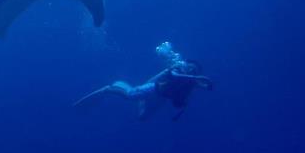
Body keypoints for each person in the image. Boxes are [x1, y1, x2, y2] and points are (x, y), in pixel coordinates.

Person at [74, 42, 213, 121]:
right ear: (186, 65)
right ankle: (112, 87)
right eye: (190, 68)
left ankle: (141, 100)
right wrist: (194, 78)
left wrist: (204, 84)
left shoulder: (192, 81)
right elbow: (173, 74)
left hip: (162, 97)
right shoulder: (178, 69)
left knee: (142, 118)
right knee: (130, 95)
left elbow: (208, 86)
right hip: (153, 88)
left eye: (195, 71)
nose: (191, 71)